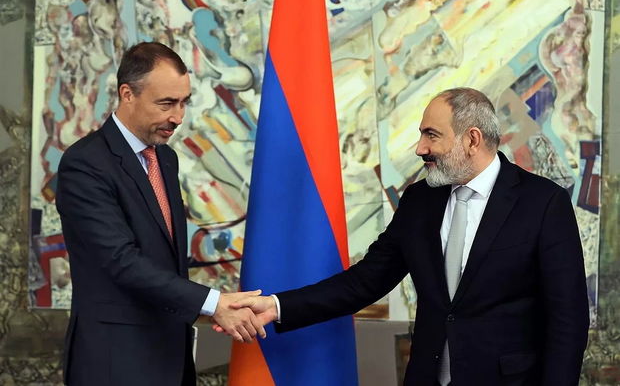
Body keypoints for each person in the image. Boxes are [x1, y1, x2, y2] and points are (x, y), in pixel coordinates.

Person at [223, 88, 590, 385]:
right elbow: (365, 281)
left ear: (472, 139)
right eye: (421, 135)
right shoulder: (419, 200)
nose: (420, 148)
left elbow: (568, 318)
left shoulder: (542, 203)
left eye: (432, 135)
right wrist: (277, 306)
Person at [56, 42, 265, 386]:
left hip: (171, 358)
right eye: (166, 103)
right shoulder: (85, 164)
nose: (178, 117)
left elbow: (163, 257)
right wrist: (214, 303)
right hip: (115, 363)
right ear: (127, 94)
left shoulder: (165, 158)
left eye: (184, 102)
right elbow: (121, 260)